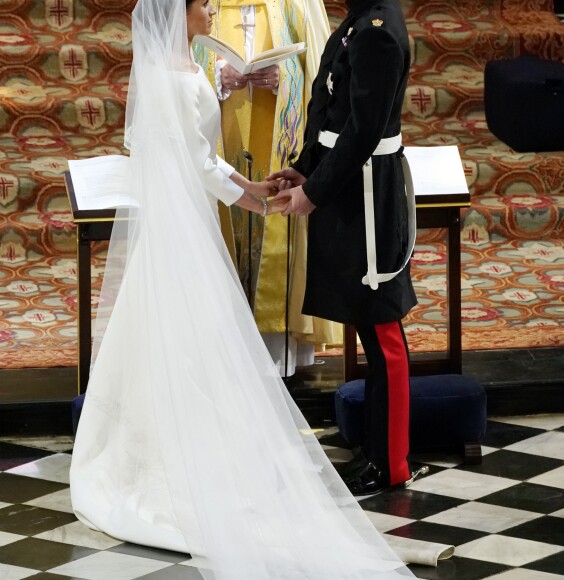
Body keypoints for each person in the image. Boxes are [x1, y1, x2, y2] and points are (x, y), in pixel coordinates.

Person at [70, 0, 415, 578]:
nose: (211, 9)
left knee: (189, 339)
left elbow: (208, 157)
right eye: (202, 4)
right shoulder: (170, 78)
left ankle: (385, 460)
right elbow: (192, 159)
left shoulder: (188, 67)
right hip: (183, 224)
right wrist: (254, 193)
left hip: (202, 216)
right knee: (179, 337)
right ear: (177, 13)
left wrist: (261, 189)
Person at [269, 0, 417, 496]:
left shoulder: (376, 29)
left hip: (367, 197)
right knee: (367, 323)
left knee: (382, 328)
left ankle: (392, 461)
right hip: (347, 188)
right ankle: (377, 449)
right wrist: (306, 167)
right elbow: (330, 110)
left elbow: (364, 130)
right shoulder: (359, 19)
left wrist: (313, 192)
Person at [197, 0, 342, 376]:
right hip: (222, 137)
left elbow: (327, 71)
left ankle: (276, 355)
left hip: (279, 135)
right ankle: (219, 351)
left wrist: (287, 78)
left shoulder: (296, 3)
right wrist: (218, 77)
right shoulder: (203, 4)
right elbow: (179, 60)